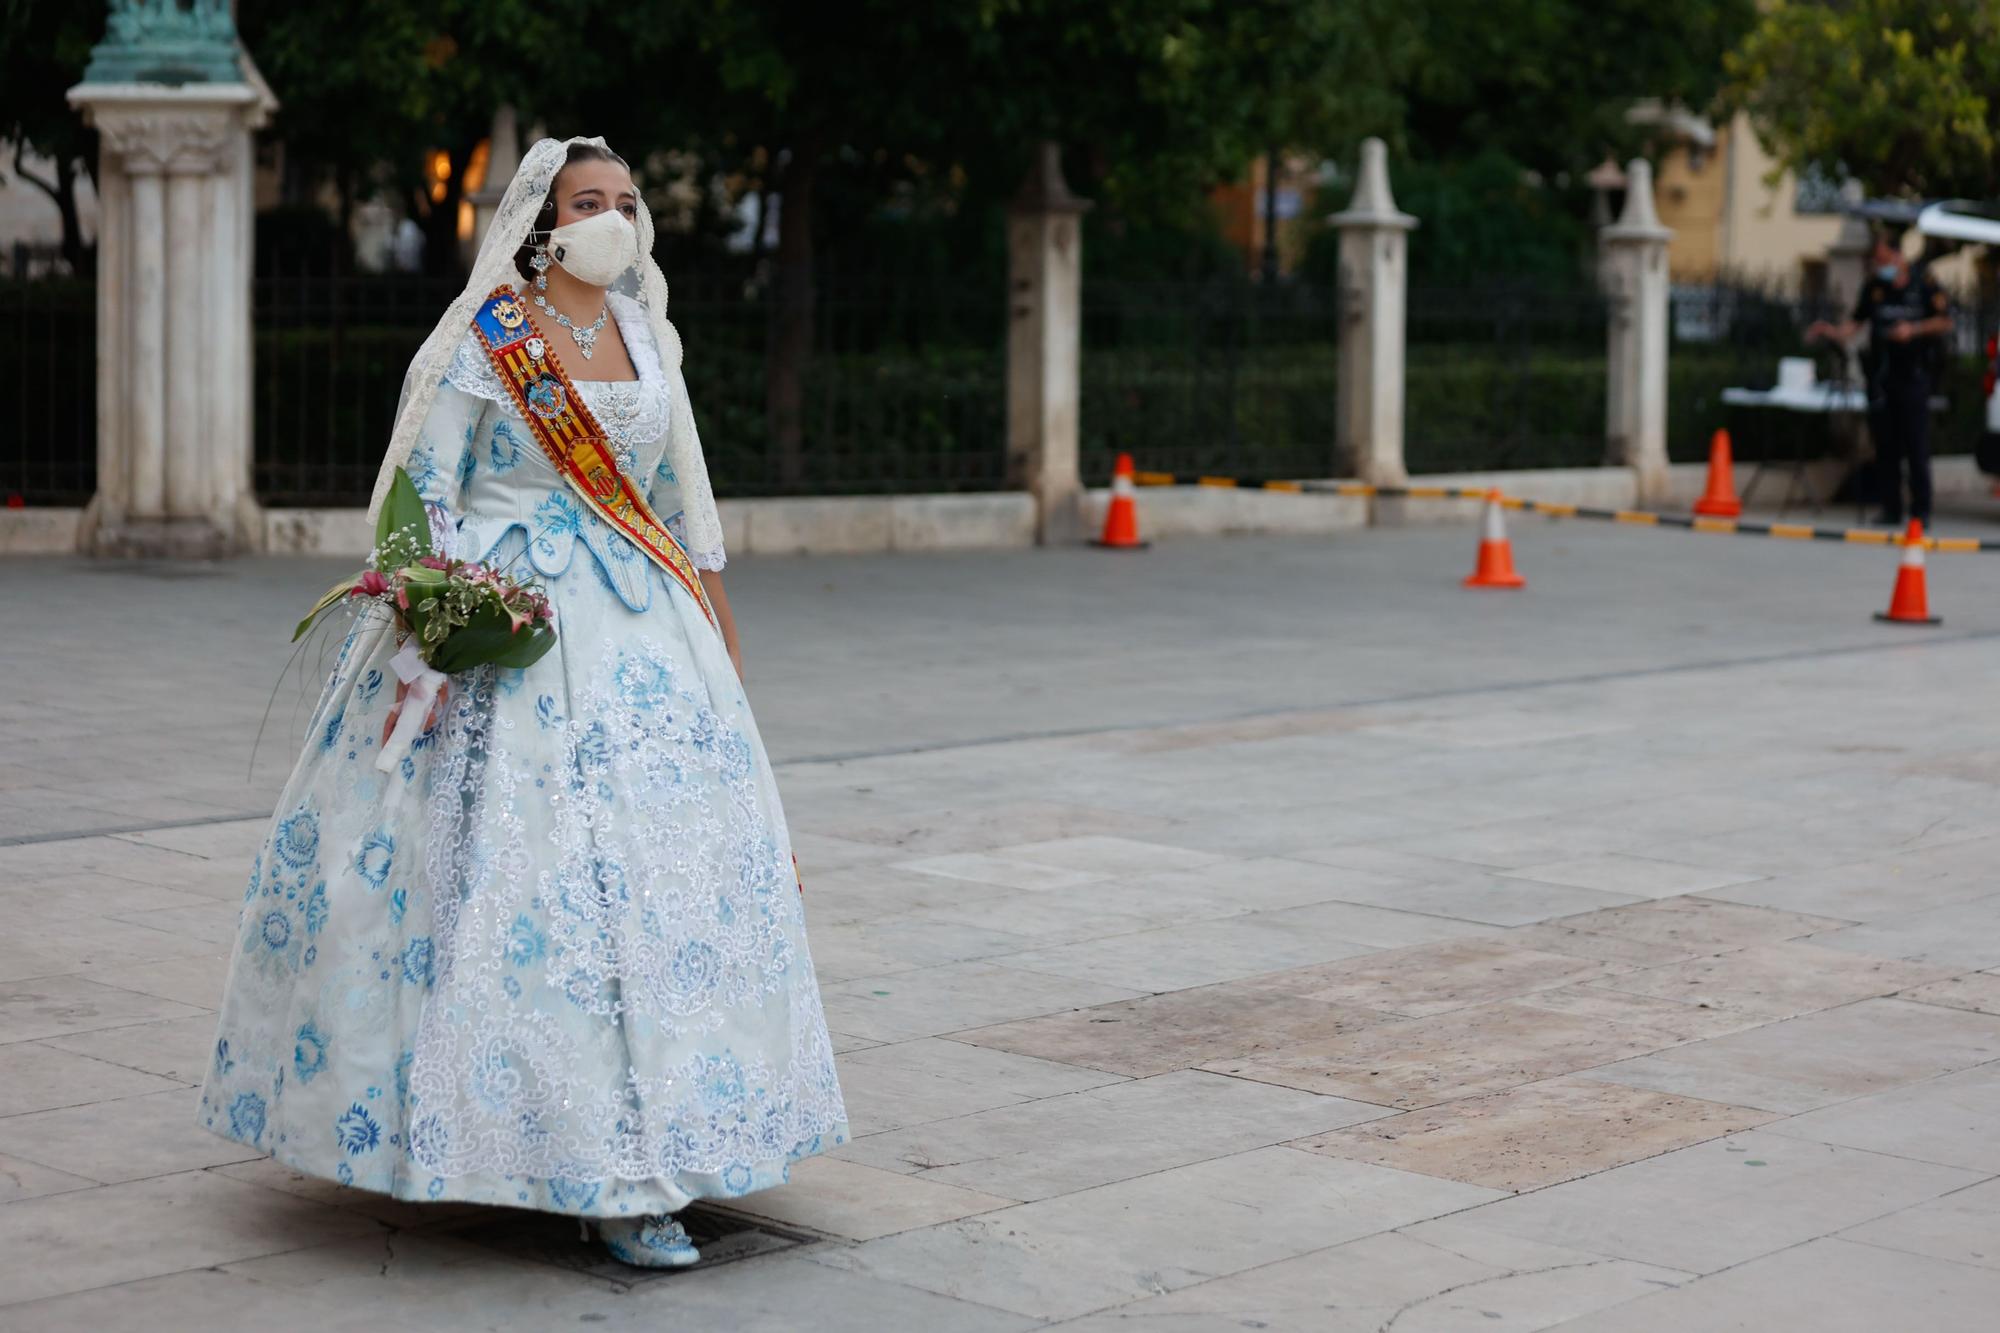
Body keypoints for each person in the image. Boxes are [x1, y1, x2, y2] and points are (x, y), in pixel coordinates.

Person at [199, 137, 849, 1269]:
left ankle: (669, 1145)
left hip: (646, 633)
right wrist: (447, 616)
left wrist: (720, 644)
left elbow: (678, 504)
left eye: (626, 200)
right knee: (529, 882)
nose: (611, 217)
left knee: (662, 887)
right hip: (513, 629)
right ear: (541, 224)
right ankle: (559, 1155)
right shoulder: (483, 343)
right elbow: (418, 498)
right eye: (587, 201)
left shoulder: (650, 339)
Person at [1808, 228, 1954, 527]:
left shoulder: (1923, 283)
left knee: (1915, 446)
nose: (1879, 265)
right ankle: (1890, 509)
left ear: (1898, 255)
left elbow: (1945, 321)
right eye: (1877, 260)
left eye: (1884, 258)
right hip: (1881, 376)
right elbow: (1857, 322)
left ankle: (1920, 511)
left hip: (1914, 375)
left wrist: (1912, 330)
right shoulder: (1875, 286)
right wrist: (1833, 332)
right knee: (1885, 445)